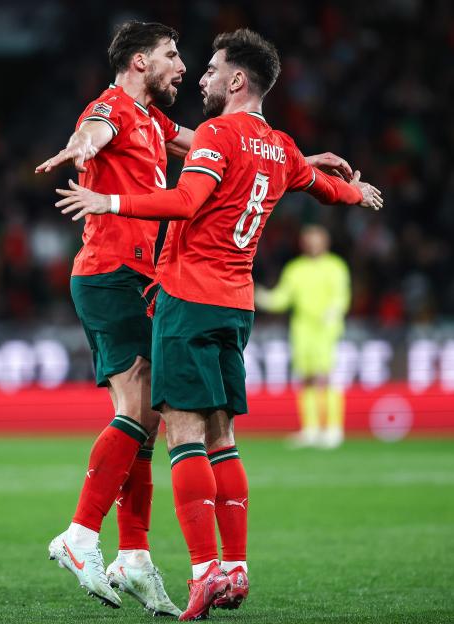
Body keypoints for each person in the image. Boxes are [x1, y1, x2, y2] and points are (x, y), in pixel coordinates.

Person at [55, 28, 383, 620]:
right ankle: (202, 560)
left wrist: (110, 201)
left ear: (236, 80)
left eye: (204, 67)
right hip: (214, 298)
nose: (193, 74)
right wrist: (349, 189)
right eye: (179, 58)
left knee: (169, 426)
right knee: (197, 430)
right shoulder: (271, 145)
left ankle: (177, 561)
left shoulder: (198, 130)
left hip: (183, 291)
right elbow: (99, 127)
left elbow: (195, 189)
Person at [36, 21, 191, 616]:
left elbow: (210, 143)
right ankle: (80, 535)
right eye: (171, 56)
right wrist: (82, 145)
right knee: (140, 407)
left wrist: (286, 157)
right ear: (137, 61)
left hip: (138, 277)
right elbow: (94, 129)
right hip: (109, 273)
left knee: (149, 420)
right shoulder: (113, 108)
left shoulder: (155, 120)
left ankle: (134, 555)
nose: (181, 66)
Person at [255, 225, 351, 448]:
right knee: (306, 379)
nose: (312, 244)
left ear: (325, 242)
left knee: (325, 377)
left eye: (316, 240)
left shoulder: (335, 266)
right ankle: (311, 429)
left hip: (326, 329)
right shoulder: (295, 269)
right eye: (309, 240)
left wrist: (335, 310)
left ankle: (334, 428)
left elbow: (341, 295)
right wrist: (261, 296)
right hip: (302, 330)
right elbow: (282, 298)